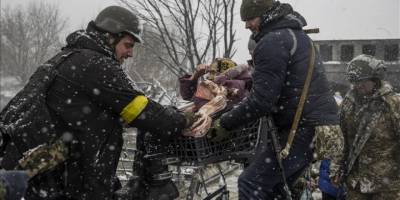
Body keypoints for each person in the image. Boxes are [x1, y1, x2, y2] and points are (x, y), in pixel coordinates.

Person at [0, 6, 189, 200]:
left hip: (41, 178)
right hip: (65, 181)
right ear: (110, 37)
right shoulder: (96, 64)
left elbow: (88, 113)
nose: (130, 53)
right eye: (128, 44)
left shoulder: (67, 58)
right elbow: (139, 109)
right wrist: (181, 120)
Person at [209, 0, 340, 199]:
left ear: (266, 14)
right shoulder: (297, 36)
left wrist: (225, 123)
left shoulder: (272, 41)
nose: (246, 25)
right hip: (317, 127)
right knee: (277, 188)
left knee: (251, 183)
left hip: (300, 127)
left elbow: (261, 101)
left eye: (250, 18)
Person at [339, 54, 400, 199]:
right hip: (356, 183)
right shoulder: (348, 104)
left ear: (375, 80)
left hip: (387, 185)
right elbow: (342, 140)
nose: (358, 85)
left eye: (362, 81)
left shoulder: (393, 104)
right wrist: (338, 167)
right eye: (354, 81)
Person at [179, 58, 252, 112]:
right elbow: (189, 96)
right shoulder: (214, 87)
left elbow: (199, 100)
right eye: (210, 72)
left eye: (213, 72)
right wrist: (193, 78)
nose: (209, 76)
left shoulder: (237, 85)